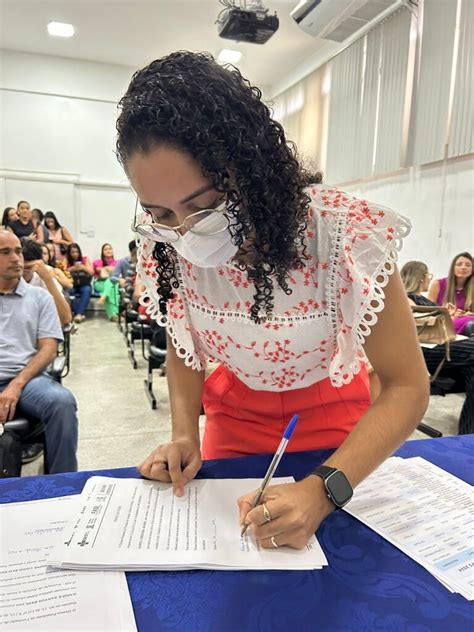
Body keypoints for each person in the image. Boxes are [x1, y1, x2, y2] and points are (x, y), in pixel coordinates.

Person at [116, 51, 428, 550]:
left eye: (204, 205)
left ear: (253, 172)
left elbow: (407, 388)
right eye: (159, 212)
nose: (184, 230)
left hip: (340, 432)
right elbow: (184, 345)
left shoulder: (345, 235)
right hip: (232, 423)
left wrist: (324, 491)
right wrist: (183, 435)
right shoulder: (169, 245)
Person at [0, 230, 78, 473]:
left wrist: (16, 384)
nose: (16, 258)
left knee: (62, 402)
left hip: (26, 379)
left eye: (18, 251)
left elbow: (49, 348)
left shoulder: (39, 297)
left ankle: (62, 486)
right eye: (6, 252)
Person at [401, 261, 473, 434]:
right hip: (424, 351)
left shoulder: (424, 299)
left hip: (444, 348)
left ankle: (468, 435)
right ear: (421, 278)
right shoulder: (406, 298)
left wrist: (450, 314)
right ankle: (468, 435)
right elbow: (413, 322)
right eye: (428, 276)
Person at [22, 240, 73, 326]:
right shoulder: (8, 274)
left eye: (28, 265)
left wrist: (47, 278)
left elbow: (66, 318)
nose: (24, 267)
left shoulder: (45, 272)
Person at [428, 252, 474, 336]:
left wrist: (467, 314)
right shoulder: (438, 284)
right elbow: (428, 312)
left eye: (468, 265)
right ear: (453, 267)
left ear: (472, 269)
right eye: (459, 264)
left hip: (468, 324)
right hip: (444, 325)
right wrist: (450, 314)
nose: (463, 267)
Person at [66, 243, 93, 323]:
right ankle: (79, 314)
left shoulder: (85, 259)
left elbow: (91, 272)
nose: (75, 254)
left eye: (76, 252)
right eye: (73, 252)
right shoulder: (66, 260)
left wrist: (83, 267)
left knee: (87, 289)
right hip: (71, 284)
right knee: (68, 292)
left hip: (84, 283)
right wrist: (72, 269)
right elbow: (62, 271)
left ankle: (78, 313)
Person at [93, 243, 119, 321]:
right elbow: (100, 272)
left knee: (111, 289)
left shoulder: (117, 262)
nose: (108, 250)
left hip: (112, 285)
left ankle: (113, 315)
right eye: (106, 249)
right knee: (111, 283)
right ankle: (116, 313)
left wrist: (107, 269)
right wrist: (108, 268)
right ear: (102, 252)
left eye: (110, 249)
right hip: (100, 283)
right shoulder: (97, 262)